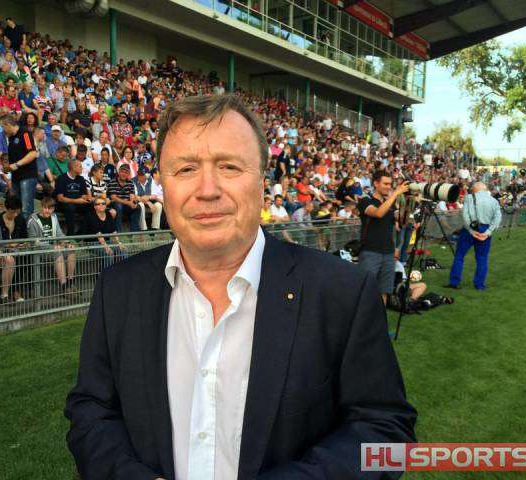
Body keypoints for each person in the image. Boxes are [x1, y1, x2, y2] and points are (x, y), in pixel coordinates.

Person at [65, 94, 416, 480]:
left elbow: (386, 432)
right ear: (163, 185)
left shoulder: (342, 293)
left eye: (229, 167)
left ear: (262, 182)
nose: (207, 189)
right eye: (185, 169)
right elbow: (91, 412)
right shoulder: (118, 290)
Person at [358, 171, 410, 304]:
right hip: (370, 252)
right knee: (366, 290)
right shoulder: (365, 200)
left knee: (384, 291)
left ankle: (381, 317)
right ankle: (363, 317)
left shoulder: (390, 204)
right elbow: (378, 213)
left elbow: (402, 222)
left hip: (388, 253)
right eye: (385, 184)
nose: (388, 187)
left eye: (390, 184)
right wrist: (395, 194)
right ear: (375, 183)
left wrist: (407, 200)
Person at [447, 182, 502, 291]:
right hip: (485, 229)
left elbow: (465, 216)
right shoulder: (494, 201)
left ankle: (454, 282)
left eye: (472, 188)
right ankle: (479, 285)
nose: (471, 189)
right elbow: (497, 218)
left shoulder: (469, 198)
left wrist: (471, 231)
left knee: (459, 255)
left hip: (470, 228)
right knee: (482, 258)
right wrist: (488, 232)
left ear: (476, 189)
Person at [27, 196, 77, 295]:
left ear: (53, 209)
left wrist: (67, 243)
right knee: (58, 253)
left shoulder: (54, 217)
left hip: (53, 247)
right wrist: (51, 247)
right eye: (45, 208)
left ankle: (70, 282)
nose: (47, 211)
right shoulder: (32, 220)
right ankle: (64, 287)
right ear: (41, 207)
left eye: (50, 208)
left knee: (71, 251)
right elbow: (33, 241)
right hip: (39, 250)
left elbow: (59, 233)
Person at [0, 115, 39, 220]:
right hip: (16, 177)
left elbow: (33, 153)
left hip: (27, 175)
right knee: (16, 207)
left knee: (26, 208)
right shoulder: (11, 137)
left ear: (8, 125)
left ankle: (28, 230)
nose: (2, 130)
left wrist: (17, 164)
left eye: (3, 127)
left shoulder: (25, 134)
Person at [0, 195, 28, 302]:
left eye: (17, 212)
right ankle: (11, 291)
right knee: (12, 259)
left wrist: (20, 244)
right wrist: (8, 245)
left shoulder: (20, 219)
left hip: (17, 249)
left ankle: (15, 290)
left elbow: (25, 238)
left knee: (25, 257)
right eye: (13, 212)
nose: (15, 215)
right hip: (2, 251)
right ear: (7, 209)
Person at [80, 197, 123, 268]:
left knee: (122, 250)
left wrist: (119, 243)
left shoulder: (108, 214)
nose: (101, 205)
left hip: (106, 241)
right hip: (92, 243)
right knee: (109, 253)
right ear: (94, 207)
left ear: (106, 205)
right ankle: (105, 273)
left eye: (103, 203)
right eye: (98, 204)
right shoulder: (90, 216)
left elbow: (113, 231)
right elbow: (98, 233)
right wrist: (105, 246)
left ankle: (122, 271)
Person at [54, 159, 92, 236]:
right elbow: (60, 198)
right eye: (80, 166)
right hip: (63, 204)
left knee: (91, 206)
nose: (82, 168)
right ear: (74, 168)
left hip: (77, 203)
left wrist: (87, 198)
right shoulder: (61, 178)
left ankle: (82, 232)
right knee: (70, 207)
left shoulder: (81, 179)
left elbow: (83, 195)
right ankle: (70, 234)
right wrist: (76, 201)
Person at [107, 163, 141, 232]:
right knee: (118, 206)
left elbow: (131, 196)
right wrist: (127, 202)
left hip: (126, 204)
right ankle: (118, 231)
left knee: (137, 207)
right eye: (122, 172)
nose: (124, 174)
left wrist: (133, 202)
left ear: (128, 174)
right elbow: (114, 198)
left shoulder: (130, 182)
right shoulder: (112, 182)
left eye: (126, 172)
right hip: (114, 204)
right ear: (119, 172)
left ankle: (134, 231)